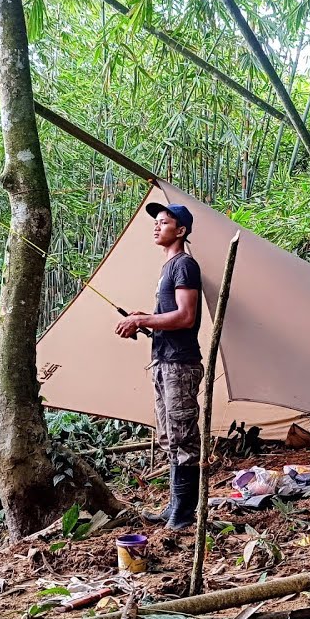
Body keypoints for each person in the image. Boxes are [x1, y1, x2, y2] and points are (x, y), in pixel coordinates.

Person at [114, 202, 203, 531]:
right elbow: (169, 317)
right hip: (164, 360)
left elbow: (186, 316)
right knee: (169, 436)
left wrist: (142, 320)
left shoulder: (184, 265)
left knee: (183, 437)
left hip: (180, 364)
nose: (156, 226)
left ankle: (184, 515)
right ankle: (175, 507)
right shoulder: (169, 267)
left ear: (180, 231)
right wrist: (144, 318)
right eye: (156, 222)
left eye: (164, 222)